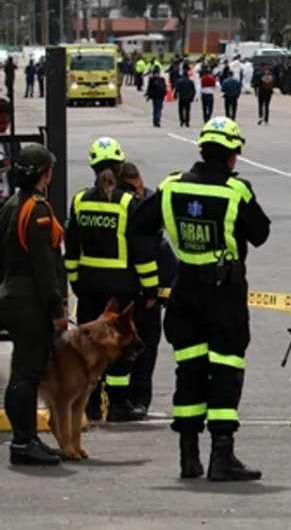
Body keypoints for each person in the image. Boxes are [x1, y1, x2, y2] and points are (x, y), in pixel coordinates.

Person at [131, 117, 271, 481]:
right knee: (225, 368)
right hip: (223, 292)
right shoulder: (235, 191)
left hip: (185, 288)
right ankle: (222, 457)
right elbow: (260, 234)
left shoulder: (171, 186)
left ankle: (188, 456)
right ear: (232, 156)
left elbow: (138, 225)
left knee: (189, 369)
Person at [63, 138, 159, 422]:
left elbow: (72, 247)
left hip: (89, 287)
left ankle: (91, 403)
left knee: (89, 346)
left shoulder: (79, 201)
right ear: (119, 167)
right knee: (119, 345)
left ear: (93, 166)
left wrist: (76, 281)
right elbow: (141, 250)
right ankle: (119, 405)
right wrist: (151, 285)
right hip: (122, 287)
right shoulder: (128, 202)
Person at [0, 144, 68, 465]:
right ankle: (23, 442)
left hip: (13, 293)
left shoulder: (12, 204)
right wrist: (56, 310)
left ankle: (27, 438)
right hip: (31, 300)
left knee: (23, 369)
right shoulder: (37, 209)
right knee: (27, 373)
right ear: (44, 174)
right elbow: (43, 265)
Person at [118, 161, 176, 415]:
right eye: (134, 189)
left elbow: (160, 248)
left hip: (153, 289)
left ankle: (140, 399)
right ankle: (121, 399)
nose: (139, 193)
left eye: (140, 187)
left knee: (148, 344)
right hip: (131, 287)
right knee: (125, 345)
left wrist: (159, 290)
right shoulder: (124, 207)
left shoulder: (150, 200)